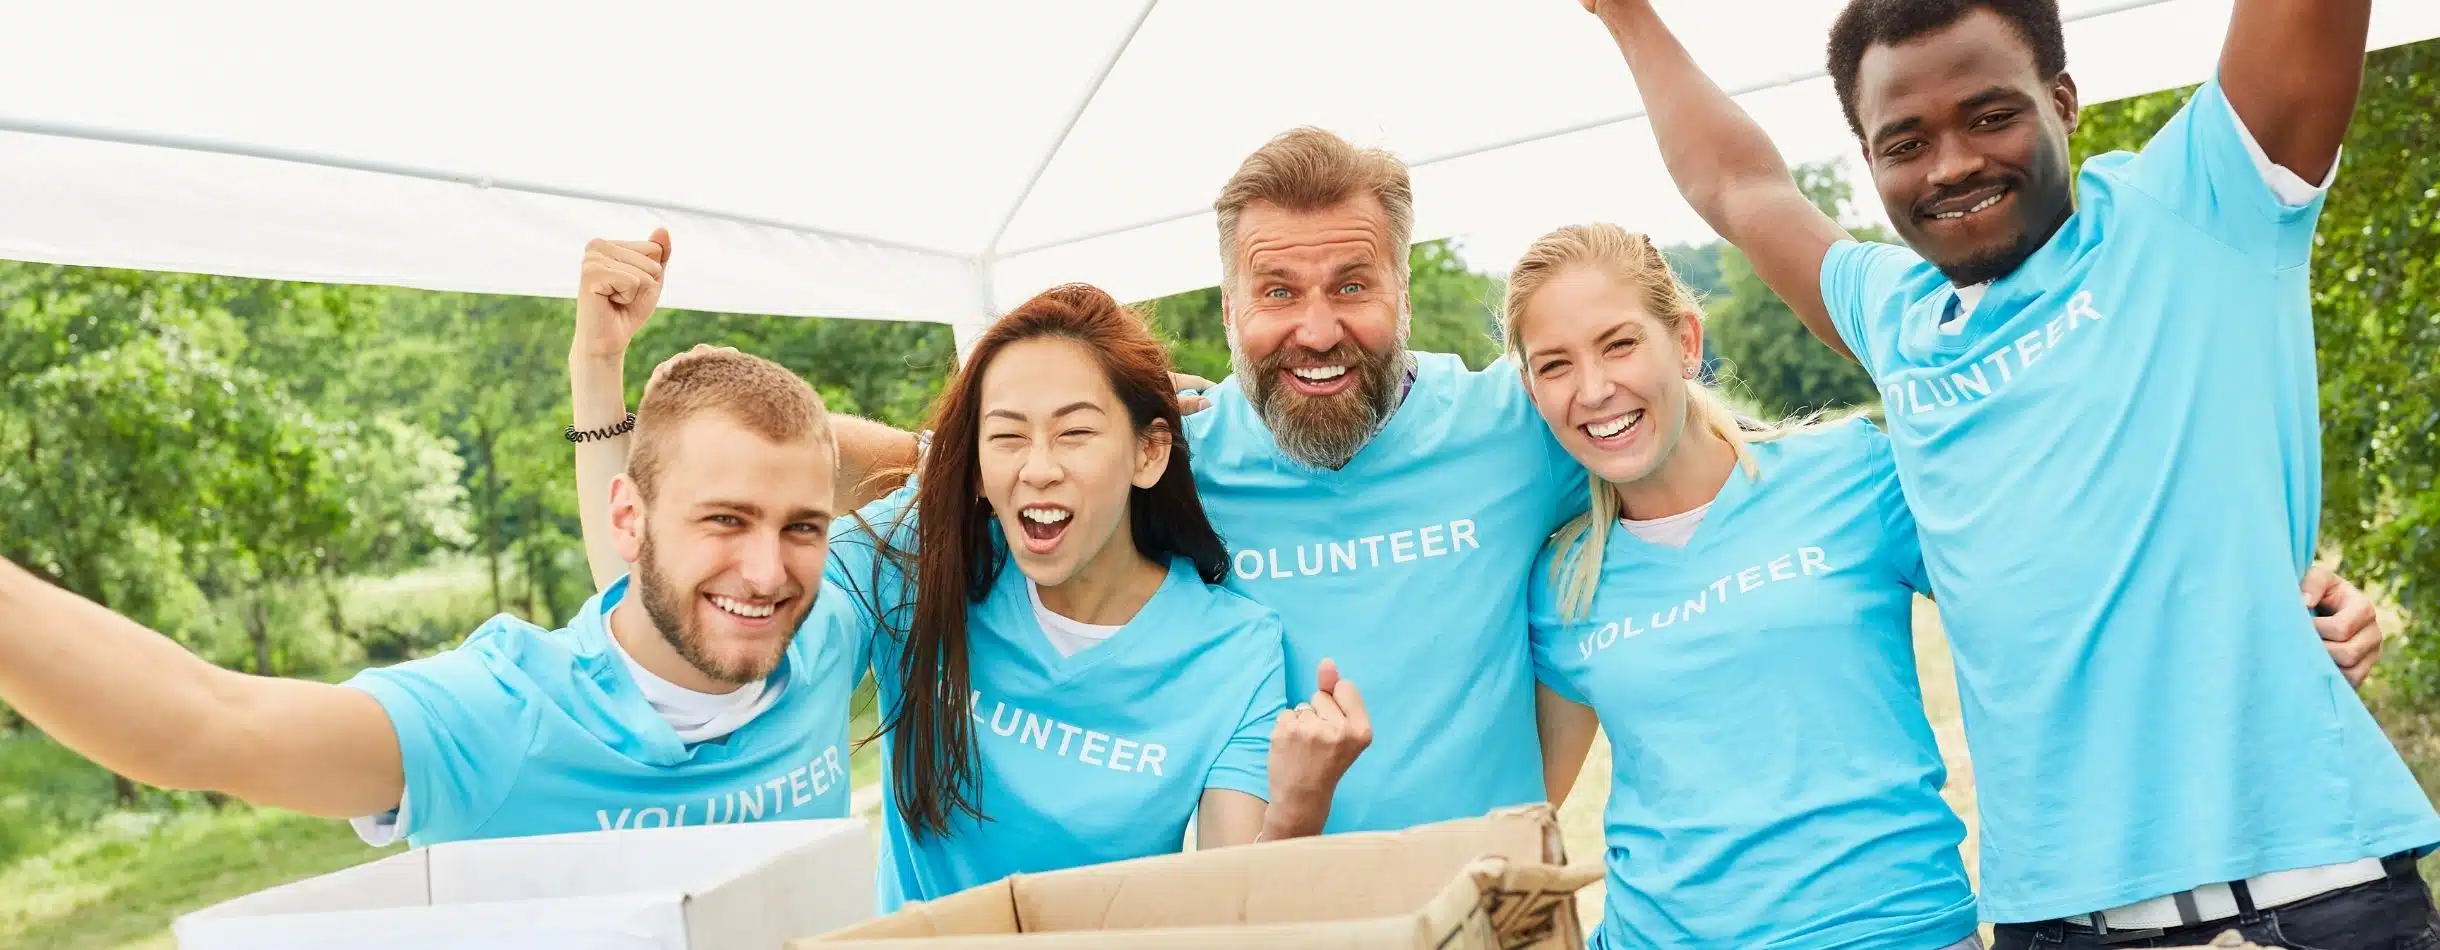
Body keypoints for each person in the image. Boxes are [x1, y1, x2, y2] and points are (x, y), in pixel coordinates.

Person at [1575, 0, 2439, 945]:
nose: (1951, 164)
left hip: (2300, 897)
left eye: (1991, 116)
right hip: (2055, 920)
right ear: (1869, 163)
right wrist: (1626, 16)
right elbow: (1736, 182)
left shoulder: (2201, 203)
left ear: (2063, 101)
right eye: (1905, 140)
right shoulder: (1892, 316)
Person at [569, 270, 1368, 909]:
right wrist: (597, 373)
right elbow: (665, 615)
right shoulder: (921, 556)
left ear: (1149, 453)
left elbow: (1239, 908)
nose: (1038, 465)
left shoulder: (1234, 645)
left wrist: (1300, 808)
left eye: (1077, 431)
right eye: (1007, 435)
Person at [0, 344, 859, 846]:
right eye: (724, 519)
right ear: (629, 519)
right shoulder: (500, 715)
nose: (766, 571)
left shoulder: (835, 626)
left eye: (802, 526)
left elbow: (958, 463)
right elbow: (201, 723)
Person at [1510, 222, 1979, 949]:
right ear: (1532, 390)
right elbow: (1520, 807)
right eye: (1555, 365)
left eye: (1620, 344)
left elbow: (2031, 619)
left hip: (1898, 930)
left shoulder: (1851, 475)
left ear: (1687, 343)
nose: (1595, 389)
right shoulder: (1561, 584)